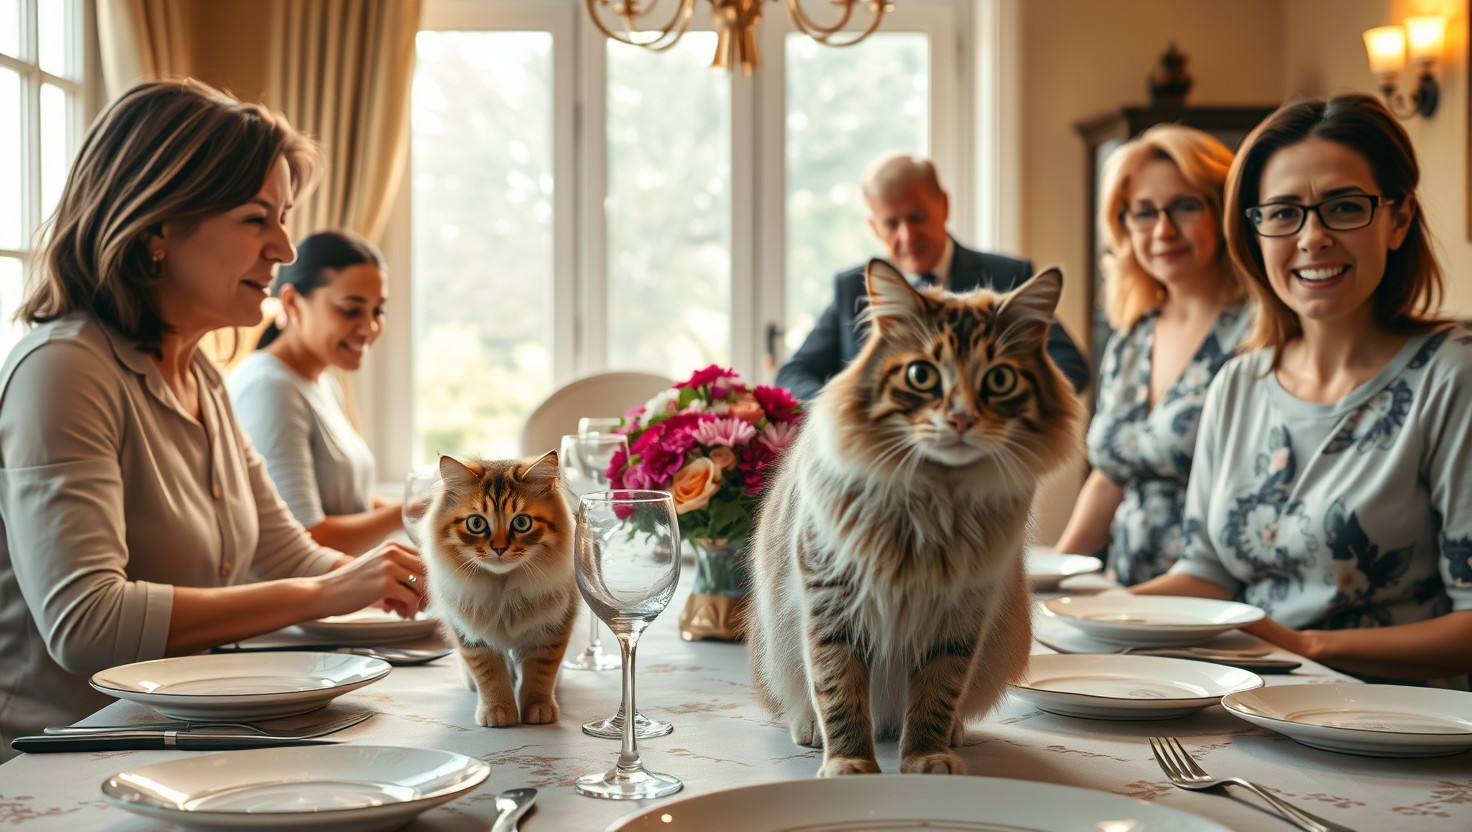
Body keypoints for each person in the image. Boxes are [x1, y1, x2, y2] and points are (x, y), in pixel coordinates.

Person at [0, 78, 427, 756]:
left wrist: (434, 583)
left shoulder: (198, 373)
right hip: (70, 754)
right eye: (258, 219)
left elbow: (285, 553)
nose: (285, 250)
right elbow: (85, 622)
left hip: (189, 732)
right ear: (158, 228)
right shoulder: (63, 370)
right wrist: (327, 589)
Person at [1132, 93, 1472, 685]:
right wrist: (1095, 618)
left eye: (1343, 207)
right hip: (1247, 699)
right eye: (1284, 213)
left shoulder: (1453, 375)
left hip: (1401, 733)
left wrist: (1301, 644)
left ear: (1399, 220)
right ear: (1257, 233)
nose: (1312, 238)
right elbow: (1205, 573)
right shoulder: (1237, 382)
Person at [1052, 125, 1252, 585]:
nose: (1163, 230)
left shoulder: (1259, 332)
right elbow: (1109, 478)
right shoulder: (1132, 334)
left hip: (1215, 604)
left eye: (1184, 206)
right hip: (1129, 596)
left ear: (1222, 211)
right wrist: (1048, 578)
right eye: (1142, 213)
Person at [775, 152, 1090, 399]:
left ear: (944, 206)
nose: (908, 236)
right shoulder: (851, 288)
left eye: (917, 217)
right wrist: (847, 413)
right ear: (874, 228)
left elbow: (1070, 366)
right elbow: (793, 376)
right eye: (891, 224)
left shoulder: (1006, 275)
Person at [227, 230, 403, 556]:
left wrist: (423, 506)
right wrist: (409, 513)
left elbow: (348, 499)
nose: (370, 328)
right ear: (292, 302)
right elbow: (303, 538)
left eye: (378, 311)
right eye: (351, 310)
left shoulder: (321, 382)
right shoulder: (270, 389)